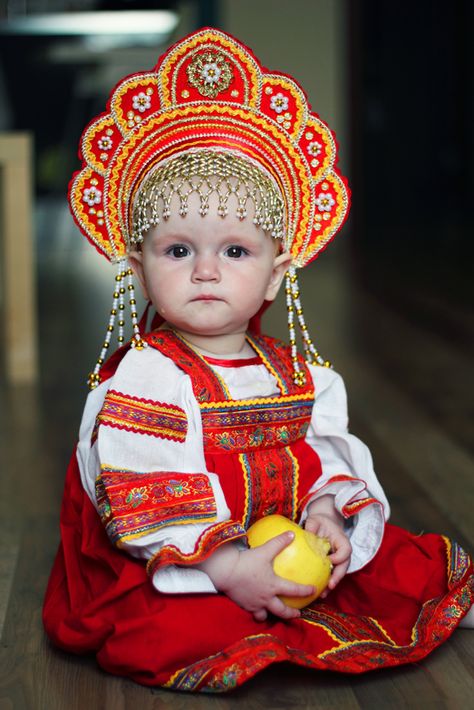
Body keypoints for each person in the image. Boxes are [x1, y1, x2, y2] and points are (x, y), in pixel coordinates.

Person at [43, 28, 473, 692]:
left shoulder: (296, 374)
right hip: (186, 554)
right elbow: (148, 493)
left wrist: (328, 513)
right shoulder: (150, 376)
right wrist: (226, 568)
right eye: (179, 250)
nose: (207, 270)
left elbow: (326, 455)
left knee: (388, 560)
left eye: (235, 252)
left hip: (282, 538)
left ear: (275, 276)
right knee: (166, 623)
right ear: (137, 266)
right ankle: (239, 618)